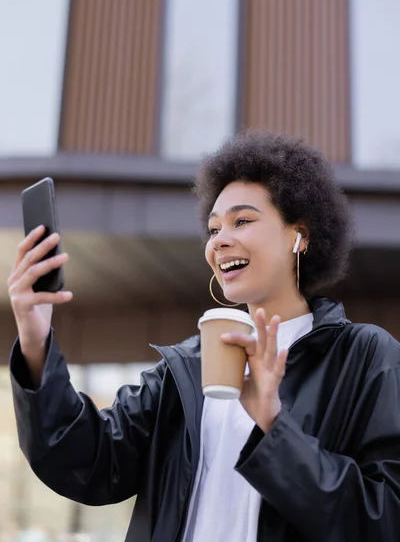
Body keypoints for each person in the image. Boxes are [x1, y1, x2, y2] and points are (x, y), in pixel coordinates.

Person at [8, 130, 400, 542]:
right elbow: (87, 462)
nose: (220, 241)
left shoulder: (366, 358)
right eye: (213, 230)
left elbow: (385, 518)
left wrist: (274, 426)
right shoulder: (184, 371)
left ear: (298, 235)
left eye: (242, 221)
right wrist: (36, 339)